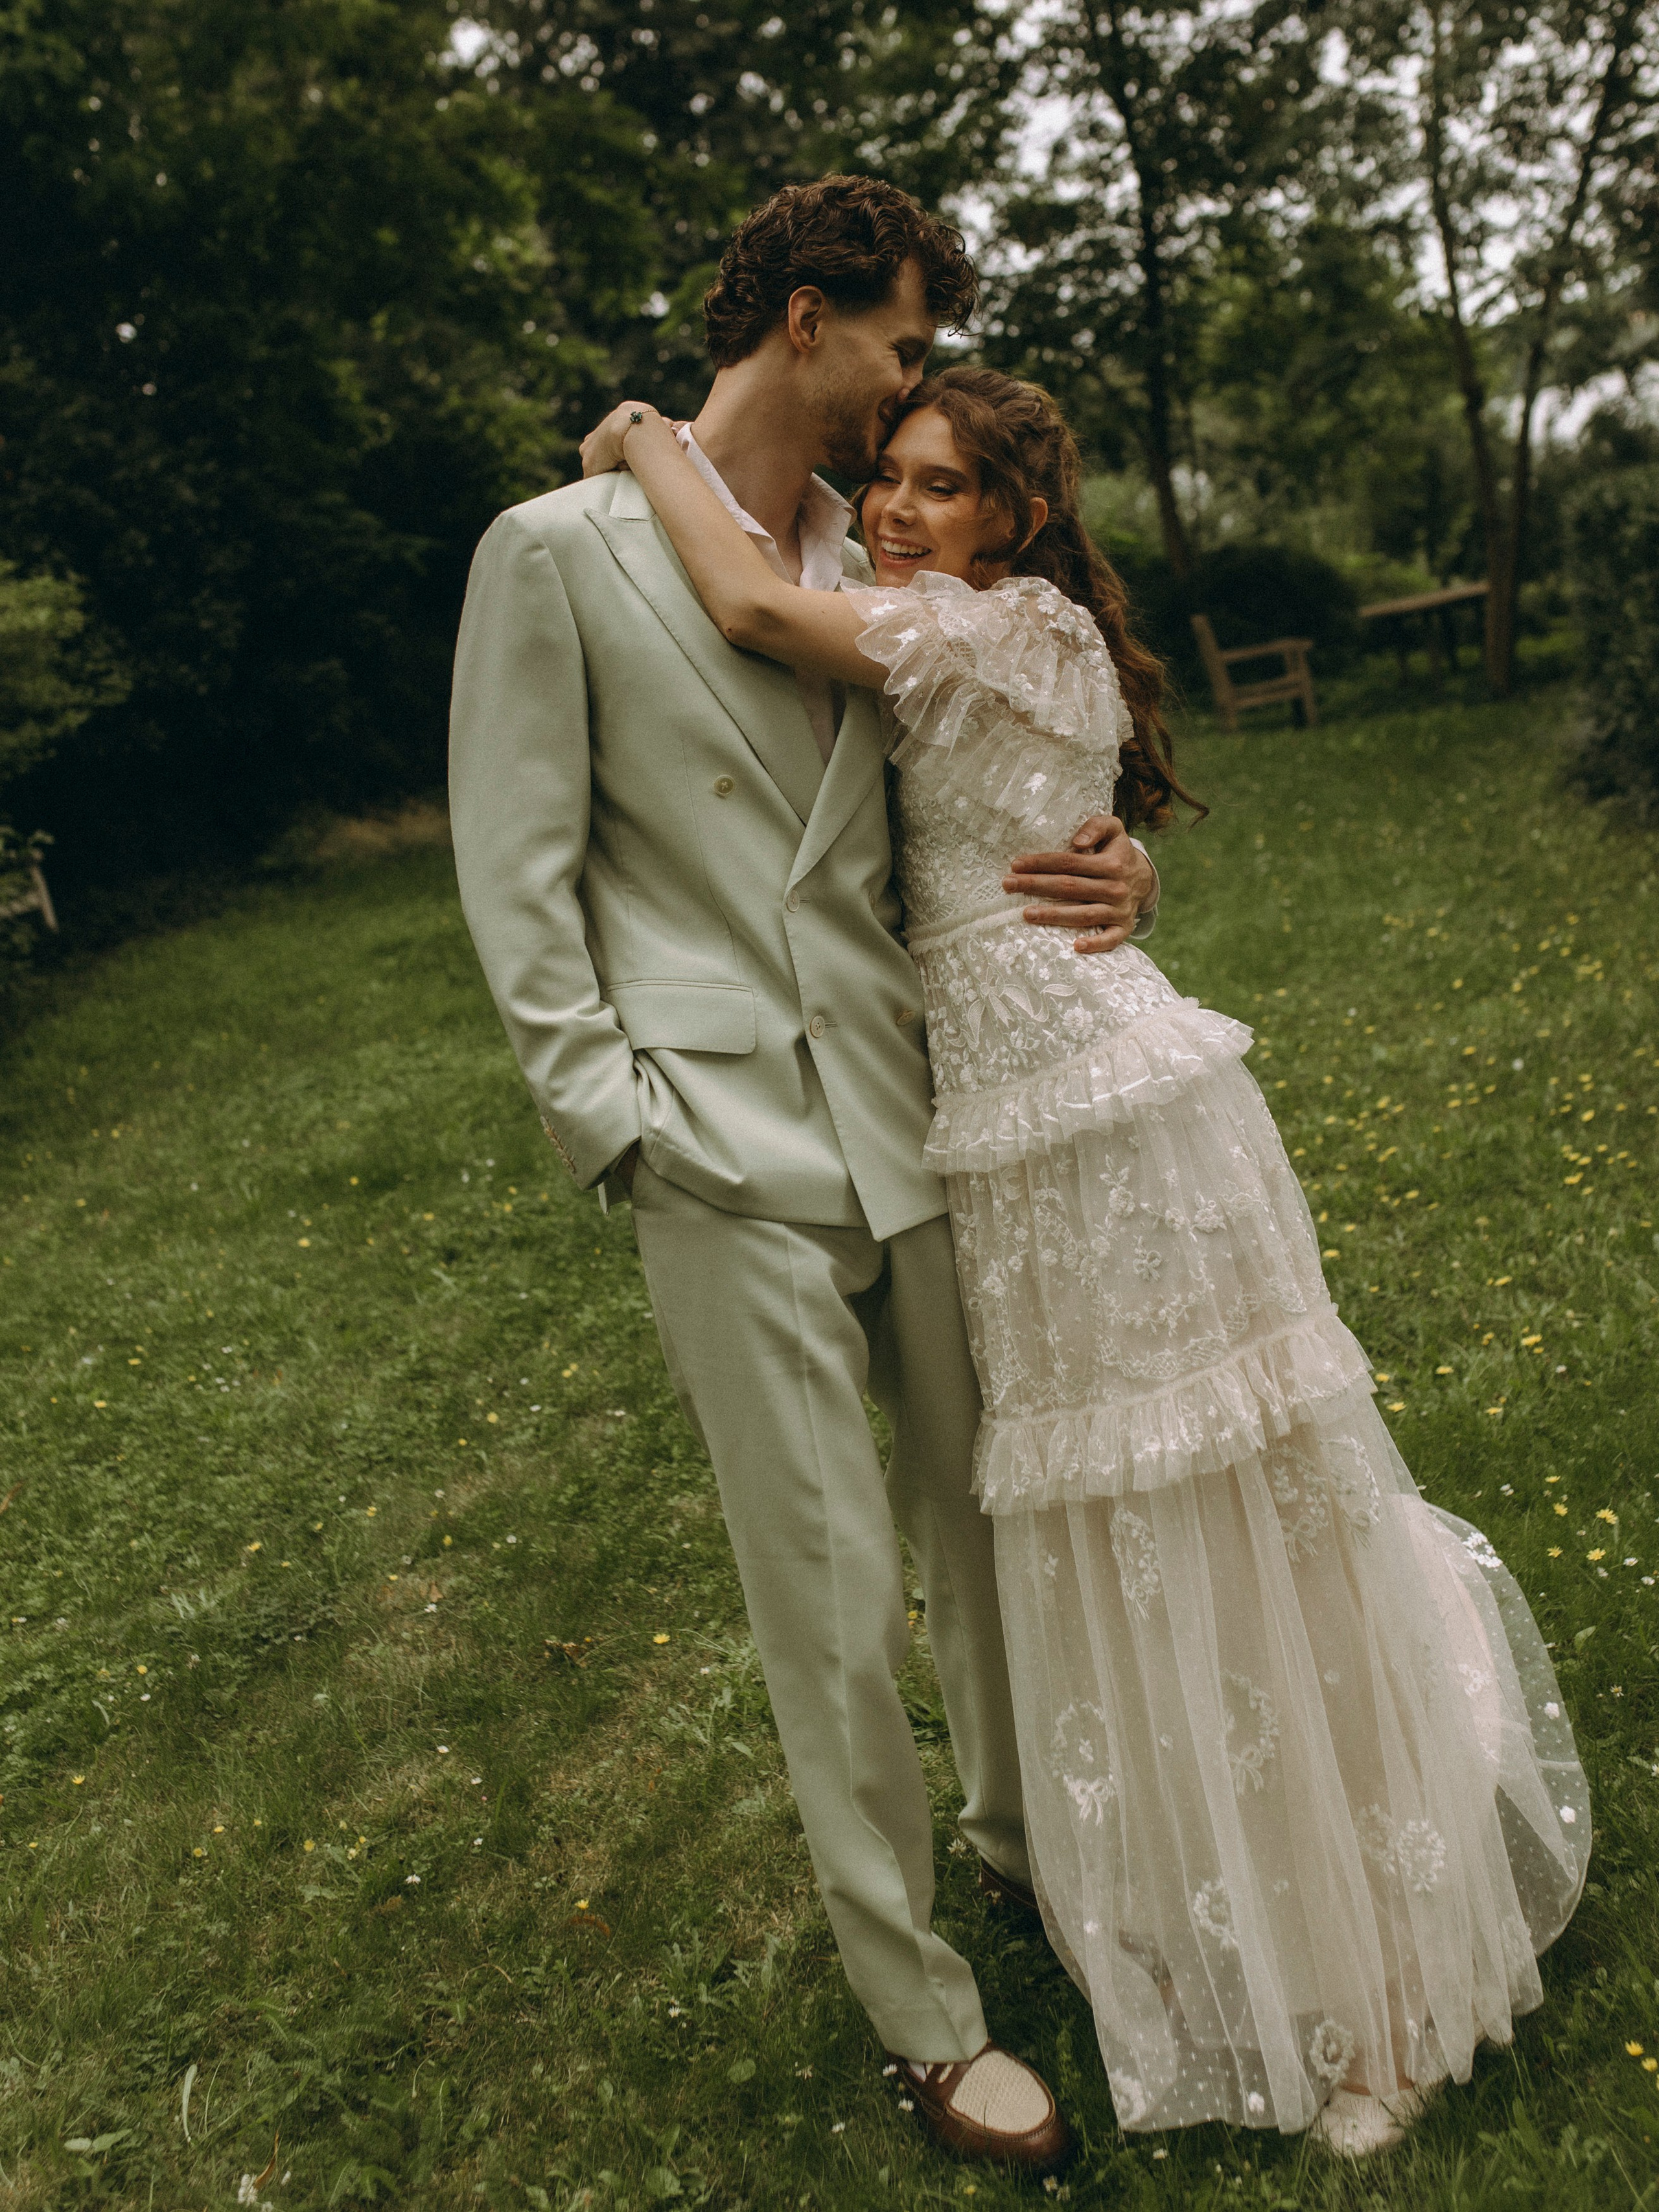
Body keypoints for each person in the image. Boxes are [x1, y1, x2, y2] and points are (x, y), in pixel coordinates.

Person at [576, 360, 1591, 2159]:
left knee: (1232, 1497)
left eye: (942, 486)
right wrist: (1107, 860)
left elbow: (740, 594)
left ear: (1021, 516)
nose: (895, 511)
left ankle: (1390, 1986)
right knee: (1103, 1521)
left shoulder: (1012, 627)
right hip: (997, 1145)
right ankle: (1212, 1902)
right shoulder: (927, 614)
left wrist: (641, 435)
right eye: (886, 477)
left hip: (1121, 1124)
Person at [450, 178, 1164, 2175]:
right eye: (905, 344)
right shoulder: (560, 554)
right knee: (832, 1598)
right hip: (715, 1143)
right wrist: (621, 1126)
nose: (916, 386)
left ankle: (1038, 1864)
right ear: (805, 320)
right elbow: (517, 885)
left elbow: (1004, 787)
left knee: (993, 1527)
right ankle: (925, 2015)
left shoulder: (903, 551)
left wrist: (1126, 866)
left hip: (918, 1109)